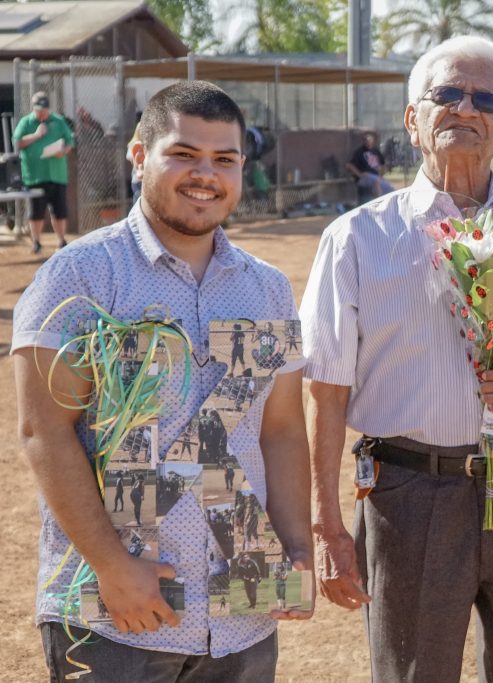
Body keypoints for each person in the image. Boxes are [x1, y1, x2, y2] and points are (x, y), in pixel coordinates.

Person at [300, 35, 493, 682]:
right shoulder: (356, 239)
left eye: (487, 100)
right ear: (412, 119)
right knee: (415, 672)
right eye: (446, 93)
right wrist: (327, 524)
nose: (465, 108)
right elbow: (325, 389)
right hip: (408, 491)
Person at [13, 80, 314, 683]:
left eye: (224, 159)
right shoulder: (80, 275)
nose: (205, 174)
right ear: (138, 155)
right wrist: (111, 566)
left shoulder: (268, 288)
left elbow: (280, 430)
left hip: (241, 617)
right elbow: (44, 432)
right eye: (183, 154)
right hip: (115, 615)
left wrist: (296, 548)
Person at [13, 91, 75, 254]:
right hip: (34, 176)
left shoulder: (58, 121)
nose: (42, 113)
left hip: (56, 175)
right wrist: (36, 135)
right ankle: (36, 242)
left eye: (45, 110)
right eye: (39, 110)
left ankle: (61, 241)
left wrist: (63, 151)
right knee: (36, 212)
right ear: (33, 108)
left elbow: (69, 142)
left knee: (59, 210)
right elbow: (17, 143)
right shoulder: (26, 122)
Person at [346, 132, 395, 201]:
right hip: (364, 178)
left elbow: (383, 164)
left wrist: (381, 176)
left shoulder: (376, 151)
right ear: (363, 141)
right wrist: (360, 175)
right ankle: (378, 202)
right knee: (376, 182)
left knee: (390, 188)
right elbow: (349, 165)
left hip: (375, 177)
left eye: (369, 140)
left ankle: (386, 202)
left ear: (373, 141)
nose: (368, 142)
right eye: (366, 140)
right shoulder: (359, 152)